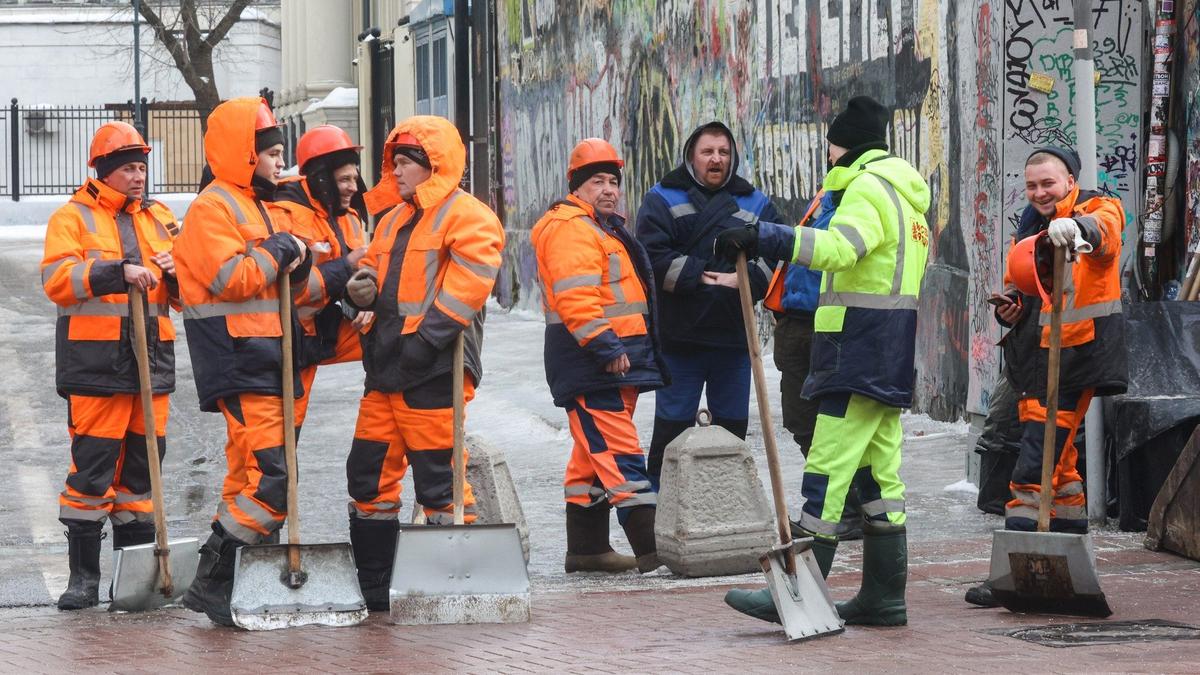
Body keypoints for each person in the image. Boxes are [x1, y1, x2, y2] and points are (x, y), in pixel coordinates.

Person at [716, 95, 931, 626]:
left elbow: (840, 249)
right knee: (881, 481)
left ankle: (795, 592)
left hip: (854, 350)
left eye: (830, 144)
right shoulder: (905, 196)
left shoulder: (865, 189)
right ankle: (884, 597)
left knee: (826, 474)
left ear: (843, 145)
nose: (827, 154)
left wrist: (767, 236)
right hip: (887, 350)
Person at [343, 116, 504, 609]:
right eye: (394, 162)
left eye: (405, 162)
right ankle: (376, 589)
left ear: (431, 164)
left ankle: (462, 583)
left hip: (434, 368)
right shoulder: (393, 218)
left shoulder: (466, 215)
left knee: (439, 478)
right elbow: (372, 265)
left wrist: (426, 339)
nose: (396, 170)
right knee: (367, 475)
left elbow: (472, 281)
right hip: (386, 367)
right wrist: (359, 286)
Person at [963, 146, 1127, 607]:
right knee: (1063, 468)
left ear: (1071, 180)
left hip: (1077, 359)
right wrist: (1010, 311)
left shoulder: (1097, 206)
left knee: (1034, 464)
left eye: (1048, 183)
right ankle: (1071, 563)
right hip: (1035, 361)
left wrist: (1077, 229)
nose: (1039, 192)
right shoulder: (1029, 227)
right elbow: (1025, 293)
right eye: (1032, 185)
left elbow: (1108, 234)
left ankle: (1015, 573)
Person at [174, 97, 312, 626]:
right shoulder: (214, 207)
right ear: (244, 154)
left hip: (262, 358)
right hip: (239, 358)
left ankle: (226, 587)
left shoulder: (251, 203)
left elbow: (273, 281)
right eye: (273, 153)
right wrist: (281, 250)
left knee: (249, 476)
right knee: (272, 481)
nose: (281, 163)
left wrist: (293, 260)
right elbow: (231, 279)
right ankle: (213, 583)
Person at [41, 121, 181, 610]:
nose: (138, 176)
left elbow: (188, 293)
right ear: (104, 172)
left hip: (151, 365)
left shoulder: (161, 218)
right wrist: (115, 273)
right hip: (96, 366)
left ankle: (133, 581)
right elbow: (58, 280)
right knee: (92, 473)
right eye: (128, 168)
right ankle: (83, 580)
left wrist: (176, 272)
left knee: (142, 480)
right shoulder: (72, 218)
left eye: (142, 167)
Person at [531, 138, 666, 574]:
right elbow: (576, 298)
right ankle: (655, 553)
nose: (608, 189)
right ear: (577, 187)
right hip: (595, 361)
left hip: (612, 360)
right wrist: (606, 347)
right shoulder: (572, 227)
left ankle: (587, 549)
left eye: (613, 181)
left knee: (592, 454)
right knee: (619, 451)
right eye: (597, 181)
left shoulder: (596, 226)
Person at [634, 121, 782, 490]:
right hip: (679, 340)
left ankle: (728, 500)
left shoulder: (755, 202)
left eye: (723, 152)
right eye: (707, 152)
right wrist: (702, 276)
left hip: (734, 340)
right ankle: (663, 502)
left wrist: (745, 279)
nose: (716, 159)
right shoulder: (662, 198)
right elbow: (651, 258)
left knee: (731, 430)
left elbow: (778, 252)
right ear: (691, 157)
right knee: (671, 428)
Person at [763, 190, 863, 541]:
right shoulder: (826, 194)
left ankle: (844, 510)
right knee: (801, 420)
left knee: (833, 426)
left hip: (831, 323)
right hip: (797, 320)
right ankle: (841, 506)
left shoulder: (863, 195)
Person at [267, 124, 371, 433]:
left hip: (324, 331)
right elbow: (289, 290)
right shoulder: (284, 214)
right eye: (344, 180)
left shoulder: (349, 217)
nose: (353, 187)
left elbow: (362, 270)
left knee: (394, 331)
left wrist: (369, 301)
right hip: (288, 341)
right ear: (322, 178)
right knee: (281, 434)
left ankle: (395, 409)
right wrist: (345, 267)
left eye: (354, 178)